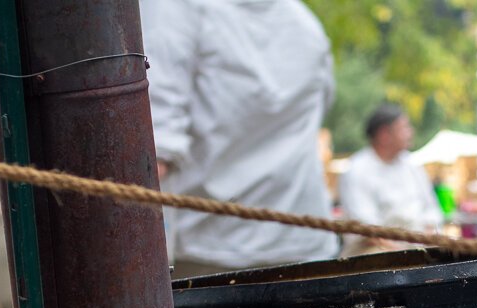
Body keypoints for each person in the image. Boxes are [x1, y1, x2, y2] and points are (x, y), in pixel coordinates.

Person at [140, 0, 339, 276]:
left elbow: (152, 148)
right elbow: (323, 107)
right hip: (306, 240)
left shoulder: (171, 8)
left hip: (209, 252)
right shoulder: (306, 23)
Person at [338, 103, 442, 254]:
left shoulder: (411, 165)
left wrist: (430, 236)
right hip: (374, 251)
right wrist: (404, 254)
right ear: (384, 134)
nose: (410, 132)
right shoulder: (357, 170)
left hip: (417, 248)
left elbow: (431, 209)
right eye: (405, 128)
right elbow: (368, 231)